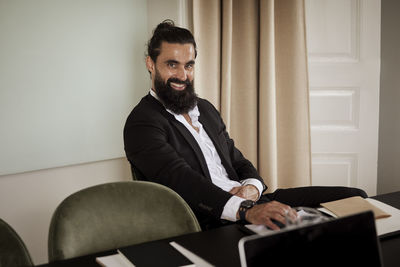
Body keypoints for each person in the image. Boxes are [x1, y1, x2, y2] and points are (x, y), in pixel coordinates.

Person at [123, 20, 367, 230]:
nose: (183, 75)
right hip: (213, 219)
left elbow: (237, 161)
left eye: (189, 65)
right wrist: (244, 210)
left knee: (355, 199)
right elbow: (179, 178)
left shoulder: (205, 109)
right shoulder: (141, 123)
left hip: (252, 203)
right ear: (150, 64)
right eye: (172, 64)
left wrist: (252, 188)